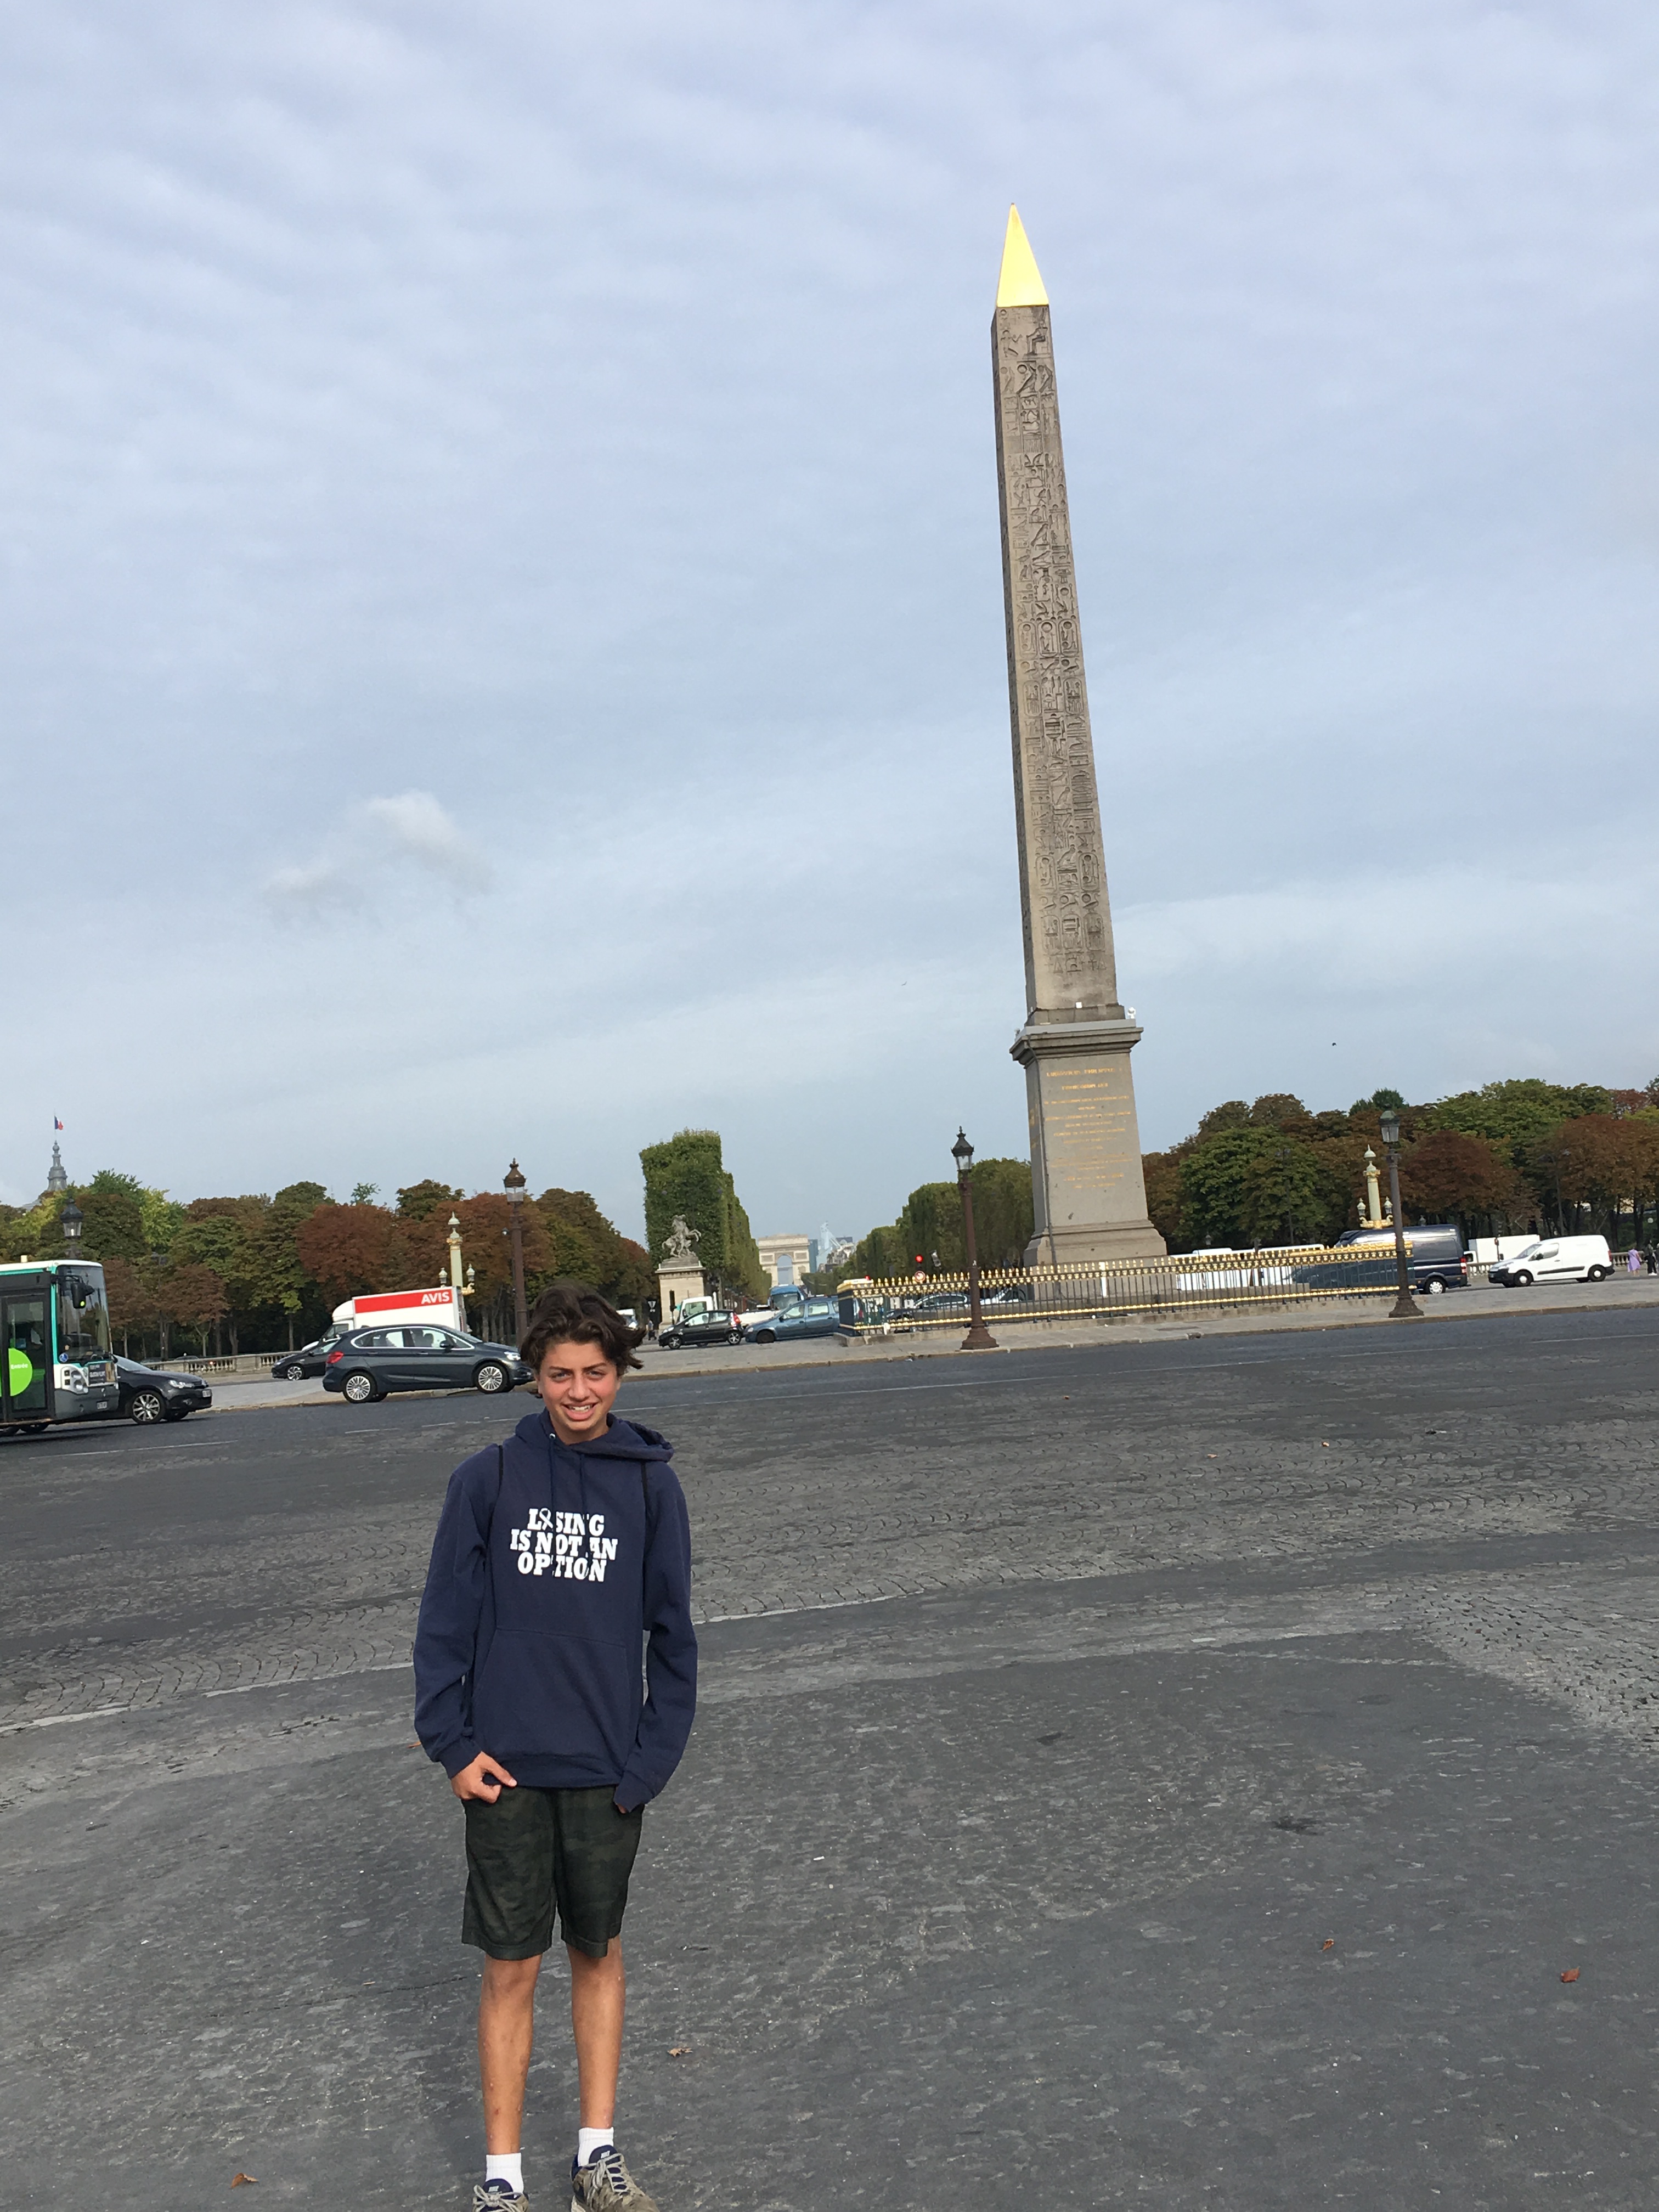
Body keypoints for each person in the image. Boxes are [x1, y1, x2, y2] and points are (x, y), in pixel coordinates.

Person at [415, 1283, 697, 2212]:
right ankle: (502, 2177)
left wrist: (649, 1762)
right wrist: (452, 1747)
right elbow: (442, 1632)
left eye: (596, 1374)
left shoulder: (651, 1484)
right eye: (561, 1376)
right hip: (504, 1772)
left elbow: (674, 1637)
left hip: (607, 1773)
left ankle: (596, 2155)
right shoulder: (486, 1480)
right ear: (534, 1379)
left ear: (620, 1375)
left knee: (599, 1955)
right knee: (509, 1970)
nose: (580, 1392)